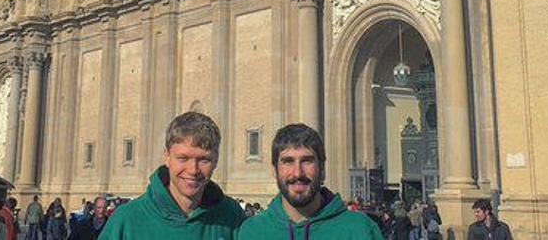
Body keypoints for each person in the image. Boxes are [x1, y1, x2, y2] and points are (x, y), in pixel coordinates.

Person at [98, 111, 244, 240]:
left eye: (204, 160)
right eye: (183, 158)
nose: (193, 170)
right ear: (167, 157)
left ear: (216, 161)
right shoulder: (126, 221)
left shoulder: (231, 216)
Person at [237, 123, 384, 239]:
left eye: (307, 161)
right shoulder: (252, 232)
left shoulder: (361, 231)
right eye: (288, 161)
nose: (298, 173)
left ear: (322, 168)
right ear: (274, 170)